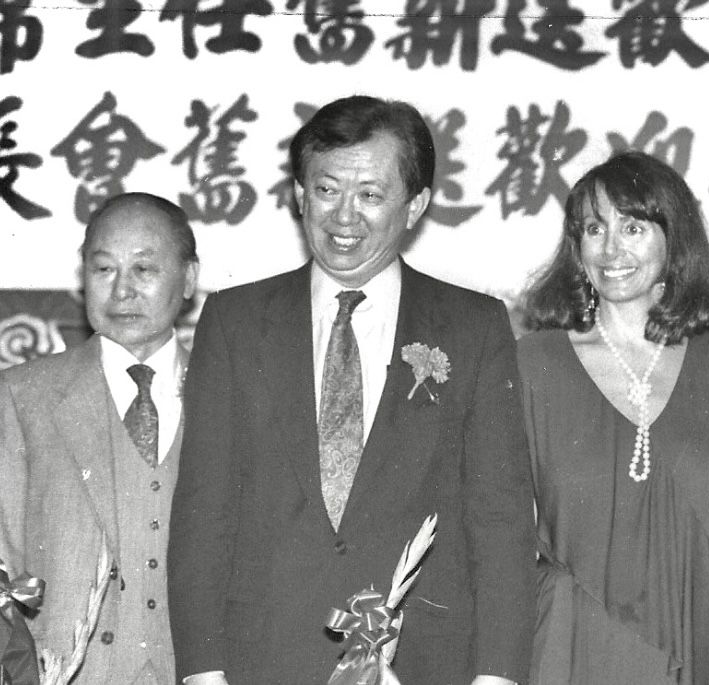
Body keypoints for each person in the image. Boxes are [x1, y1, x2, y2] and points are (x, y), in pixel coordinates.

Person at [167, 95, 536, 685]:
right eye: (326, 189)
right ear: (298, 194)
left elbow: (502, 519)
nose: (344, 216)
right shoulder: (234, 321)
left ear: (415, 205)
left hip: (423, 660)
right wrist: (202, 670)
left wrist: (497, 675)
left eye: (371, 194)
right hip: (261, 659)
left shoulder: (473, 327)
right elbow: (203, 511)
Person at [518, 151, 709, 685]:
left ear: (674, 238)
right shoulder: (533, 364)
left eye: (633, 227)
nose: (611, 249)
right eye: (594, 228)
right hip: (575, 655)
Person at [0, 192, 199, 684]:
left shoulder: (226, 395)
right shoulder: (22, 396)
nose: (122, 291)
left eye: (144, 270)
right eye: (104, 269)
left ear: (189, 278)